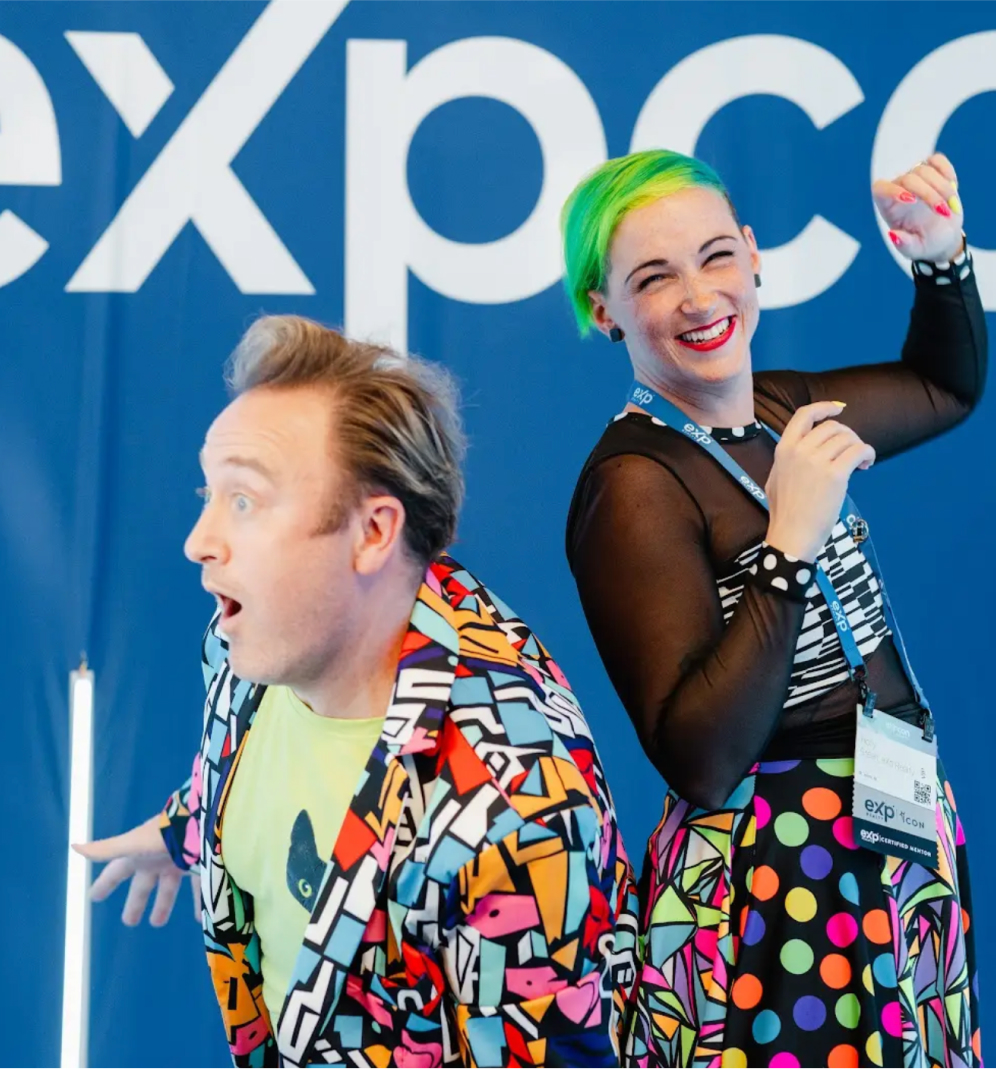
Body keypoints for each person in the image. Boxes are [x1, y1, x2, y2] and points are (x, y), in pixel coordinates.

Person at [77, 318, 639, 1068]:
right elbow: (258, 757)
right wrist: (189, 825)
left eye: (243, 501)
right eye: (209, 493)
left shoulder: (515, 819)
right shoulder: (250, 643)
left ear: (373, 533)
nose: (199, 540)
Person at [562, 150, 984, 1068]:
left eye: (716, 256)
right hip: (772, 875)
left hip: (888, 833)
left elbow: (945, 387)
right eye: (652, 277)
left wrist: (941, 259)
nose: (699, 296)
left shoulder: (776, 411)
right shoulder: (633, 484)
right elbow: (702, 762)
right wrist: (789, 540)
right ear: (605, 309)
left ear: (753, 256)